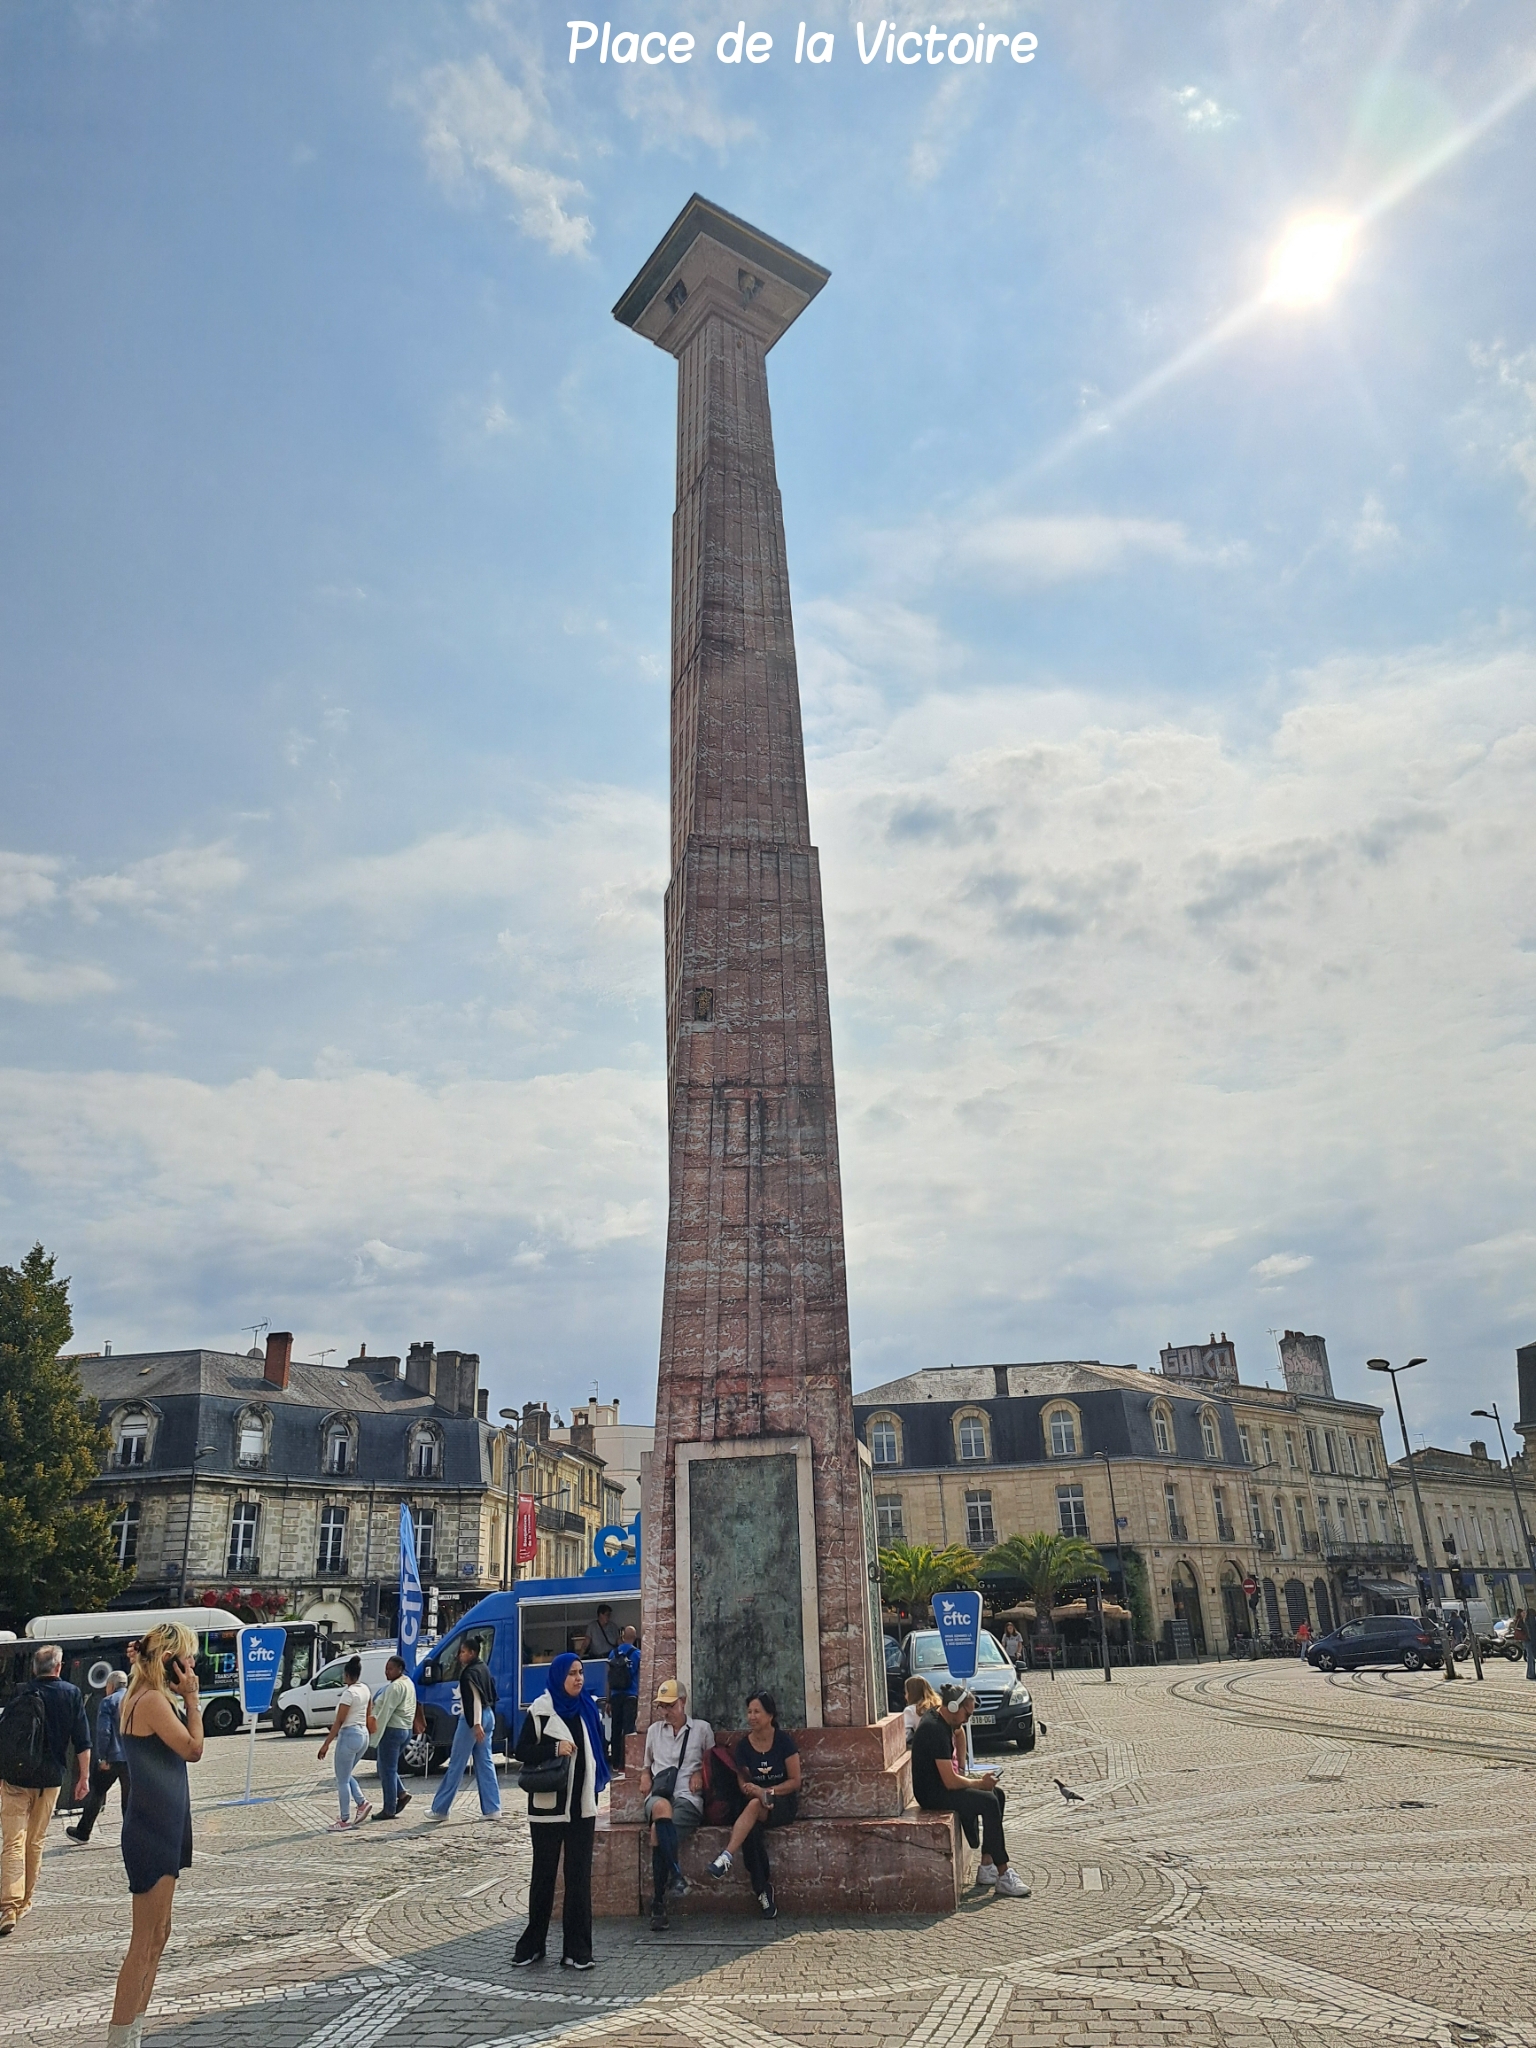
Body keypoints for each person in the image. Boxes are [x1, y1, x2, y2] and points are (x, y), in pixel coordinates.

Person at [107, 1622, 204, 2046]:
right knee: (144, 1940)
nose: (193, 1664)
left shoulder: (143, 1695)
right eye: (188, 1657)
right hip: (152, 1825)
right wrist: (193, 1697)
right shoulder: (148, 1701)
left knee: (159, 1934)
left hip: (161, 1820)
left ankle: (135, 2031)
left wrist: (150, 1661)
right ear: (170, 1660)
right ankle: (121, 2037)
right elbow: (193, 1749)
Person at [511, 1652, 608, 1969]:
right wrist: (554, 1748)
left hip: (581, 1807)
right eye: (571, 1673)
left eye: (580, 1672)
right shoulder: (541, 1710)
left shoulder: (587, 1708)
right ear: (558, 1677)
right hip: (548, 1809)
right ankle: (533, 1944)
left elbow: (599, 1750)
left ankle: (577, 1950)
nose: (578, 1678)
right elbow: (522, 1749)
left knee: (579, 1879)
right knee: (544, 1876)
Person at [0, 1643, 91, 1935]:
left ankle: (8, 1907)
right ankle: (25, 1900)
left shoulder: (21, 1693)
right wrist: (83, 1778)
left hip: (15, 1778)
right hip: (50, 1780)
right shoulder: (71, 1694)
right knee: (35, 1841)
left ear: (33, 1669)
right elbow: (82, 1740)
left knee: (12, 1841)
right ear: (59, 1667)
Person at [909, 1683, 1029, 1897]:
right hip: (932, 1794)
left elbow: (959, 1733)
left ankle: (987, 1865)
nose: (968, 1719)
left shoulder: (943, 1718)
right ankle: (1003, 1873)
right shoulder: (934, 1729)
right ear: (954, 1707)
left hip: (941, 1786)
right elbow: (949, 1782)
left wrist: (965, 1771)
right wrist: (978, 1783)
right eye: (967, 1714)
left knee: (997, 1795)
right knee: (989, 1801)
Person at [707, 1690, 800, 1919]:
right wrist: (759, 1793)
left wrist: (768, 1792)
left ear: (770, 1715)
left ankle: (727, 1856)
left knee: (751, 1813)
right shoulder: (743, 1747)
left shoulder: (784, 1742)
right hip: (754, 1803)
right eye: (749, 1711)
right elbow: (744, 1785)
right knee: (751, 1831)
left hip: (782, 1801)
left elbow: (795, 1781)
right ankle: (763, 1890)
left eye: (757, 1711)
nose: (752, 1716)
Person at [638, 1677, 714, 1932]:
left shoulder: (702, 1730)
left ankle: (659, 1901)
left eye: (670, 1705)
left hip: (688, 1798)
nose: (666, 1711)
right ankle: (676, 1876)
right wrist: (645, 1775)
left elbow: (712, 1766)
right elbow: (646, 1766)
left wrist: (699, 1775)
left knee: (657, 1831)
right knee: (660, 1810)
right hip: (660, 1794)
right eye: (662, 1706)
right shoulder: (653, 1732)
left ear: (683, 1702)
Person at [429, 1636, 501, 1822]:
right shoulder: (483, 1668)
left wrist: (476, 1724)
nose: (460, 1655)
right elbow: (491, 1695)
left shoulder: (468, 1673)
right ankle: (493, 1808)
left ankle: (441, 1808)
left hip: (472, 1719)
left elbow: (474, 1698)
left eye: (462, 1652)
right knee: (485, 1762)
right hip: (488, 1716)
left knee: (456, 1764)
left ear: (472, 1653)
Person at [66, 1670, 129, 1844]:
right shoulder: (134, 1699)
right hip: (132, 1757)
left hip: (113, 1756)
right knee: (129, 1798)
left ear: (111, 1685)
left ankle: (83, 1832)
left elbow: (103, 1731)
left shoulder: (108, 1702)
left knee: (97, 1792)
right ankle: (132, 1836)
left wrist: (102, 1757)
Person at [317, 1655, 372, 1831]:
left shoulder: (349, 1694)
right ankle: (361, 1803)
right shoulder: (364, 1689)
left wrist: (326, 1744)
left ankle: (344, 1818)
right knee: (346, 1774)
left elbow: (339, 1721)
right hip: (363, 1733)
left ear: (347, 1675)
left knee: (341, 1779)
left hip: (349, 1735)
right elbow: (369, 1711)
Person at [366, 1656, 416, 1820]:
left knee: (387, 1770)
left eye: (390, 1669)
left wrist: (373, 1735)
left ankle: (389, 1808)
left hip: (392, 1731)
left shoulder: (395, 1687)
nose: (386, 1672)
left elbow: (384, 1712)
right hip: (405, 1730)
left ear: (399, 1669)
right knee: (386, 1767)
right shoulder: (408, 1682)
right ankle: (401, 1794)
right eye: (386, 1668)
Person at [607, 1626, 640, 1773]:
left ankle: (614, 1763)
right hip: (630, 1695)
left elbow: (608, 1678)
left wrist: (608, 1700)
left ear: (622, 1636)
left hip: (615, 1696)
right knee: (628, 1730)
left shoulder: (612, 1653)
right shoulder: (637, 1654)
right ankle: (624, 1764)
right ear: (635, 1637)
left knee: (615, 1728)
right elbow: (641, 1678)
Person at [903, 1676, 941, 1746]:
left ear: (912, 1694)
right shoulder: (938, 1705)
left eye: (906, 1693)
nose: (905, 1696)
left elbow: (906, 1736)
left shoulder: (910, 1710)